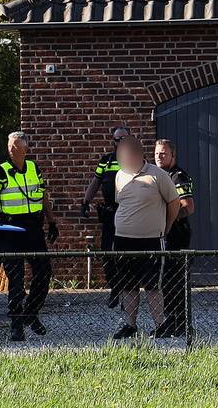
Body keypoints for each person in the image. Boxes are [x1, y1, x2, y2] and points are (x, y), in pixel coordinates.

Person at [0, 131, 59, 342]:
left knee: (44, 272)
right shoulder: (2, 171)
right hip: (10, 228)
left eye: (15, 146)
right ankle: (16, 324)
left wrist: (52, 221)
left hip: (33, 228)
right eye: (9, 146)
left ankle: (31, 312)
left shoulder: (34, 169)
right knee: (16, 280)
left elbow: (44, 196)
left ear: (25, 149)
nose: (11, 149)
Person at [111, 136, 180, 339]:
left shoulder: (157, 175)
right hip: (123, 239)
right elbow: (121, 203)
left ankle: (161, 325)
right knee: (128, 284)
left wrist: (165, 228)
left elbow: (174, 202)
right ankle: (130, 325)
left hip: (150, 240)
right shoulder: (119, 176)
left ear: (139, 154)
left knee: (152, 285)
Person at [81, 126, 130, 308]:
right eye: (117, 139)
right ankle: (115, 288)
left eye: (124, 138)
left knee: (126, 254)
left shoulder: (136, 160)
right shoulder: (106, 161)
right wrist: (85, 201)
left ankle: (127, 293)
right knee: (107, 253)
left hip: (129, 213)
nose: (121, 142)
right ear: (113, 141)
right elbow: (96, 182)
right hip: (110, 214)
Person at [154, 139, 195, 337]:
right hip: (164, 234)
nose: (159, 157)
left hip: (177, 235)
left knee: (175, 280)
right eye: (156, 154)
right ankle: (171, 321)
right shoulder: (158, 176)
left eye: (163, 154)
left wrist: (167, 220)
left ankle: (179, 323)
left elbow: (188, 206)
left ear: (173, 156)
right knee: (166, 280)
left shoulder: (178, 176)